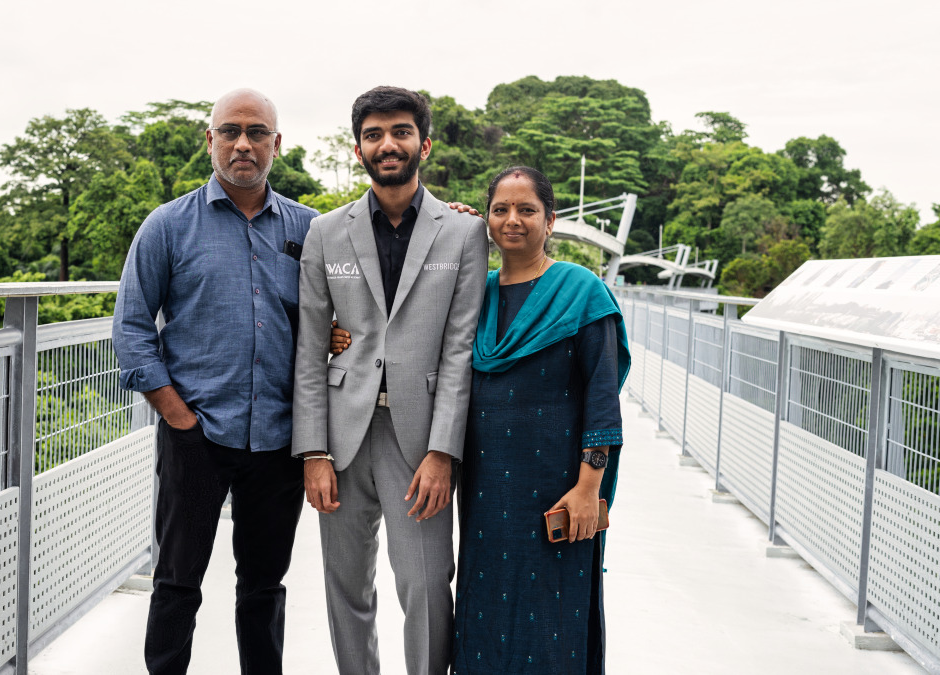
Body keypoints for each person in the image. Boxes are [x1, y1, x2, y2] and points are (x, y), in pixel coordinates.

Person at [333, 166, 630, 674]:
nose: (513, 220)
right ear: (486, 220)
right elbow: (408, 336)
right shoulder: (473, 294)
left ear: (551, 220)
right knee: (484, 606)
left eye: (527, 210)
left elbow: (602, 396)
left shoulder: (581, 292)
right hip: (486, 492)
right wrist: (340, 335)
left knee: (552, 614)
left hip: (557, 488)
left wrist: (589, 487)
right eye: (500, 210)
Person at [112, 88, 316, 675]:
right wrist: (177, 416)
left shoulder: (310, 229)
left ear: (277, 144)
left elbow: (357, 290)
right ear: (210, 140)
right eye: (230, 131)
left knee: (263, 586)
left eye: (256, 132)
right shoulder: (167, 226)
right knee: (177, 582)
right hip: (195, 435)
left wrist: (450, 217)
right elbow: (130, 325)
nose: (243, 144)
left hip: (279, 437)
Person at [293, 86, 489, 675]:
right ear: (358, 149)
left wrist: (443, 451)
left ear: (423, 143)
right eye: (374, 134)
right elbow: (308, 349)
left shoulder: (463, 234)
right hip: (343, 435)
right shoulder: (326, 233)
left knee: (427, 587)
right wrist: (312, 451)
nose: (388, 144)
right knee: (346, 587)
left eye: (401, 131)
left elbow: (460, 350)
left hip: (421, 435)